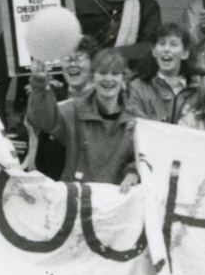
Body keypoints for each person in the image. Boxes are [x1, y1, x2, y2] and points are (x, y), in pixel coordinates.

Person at [25, 48, 139, 187]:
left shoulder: (137, 119)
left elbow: (148, 155)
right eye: (102, 73)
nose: (108, 79)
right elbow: (43, 121)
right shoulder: (73, 110)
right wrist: (39, 84)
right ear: (93, 77)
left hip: (115, 200)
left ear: (124, 79)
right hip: (77, 195)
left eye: (115, 74)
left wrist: (133, 171)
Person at [22, 36, 101, 178]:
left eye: (79, 58)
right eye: (66, 58)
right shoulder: (52, 94)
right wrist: (39, 85)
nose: (72, 64)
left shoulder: (104, 97)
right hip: (54, 183)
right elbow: (40, 123)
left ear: (93, 63)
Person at [125, 23, 200, 124]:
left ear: (185, 53)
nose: (166, 49)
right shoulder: (137, 87)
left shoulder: (199, 89)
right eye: (161, 43)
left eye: (173, 44)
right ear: (154, 51)